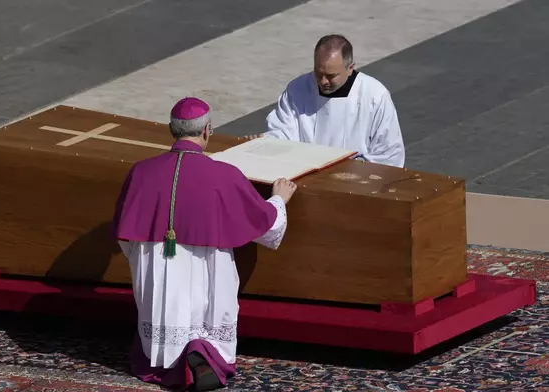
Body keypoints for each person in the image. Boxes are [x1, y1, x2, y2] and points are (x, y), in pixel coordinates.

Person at [112, 97, 297, 391]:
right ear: (207, 130)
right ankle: (204, 356)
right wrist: (278, 199)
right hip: (206, 268)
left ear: (171, 129)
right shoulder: (224, 175)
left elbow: (124, 235)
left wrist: (147, 256)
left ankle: (164, 359)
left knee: (164, 307)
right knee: (206, 304)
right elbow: (265, 223)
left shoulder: (141, 171)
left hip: (159, 270)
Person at [257, 34, 405, 167]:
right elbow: (282, 133)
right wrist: (265, 142)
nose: (323, 81)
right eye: (318, 73)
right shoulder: (297, 89)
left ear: (350, 68)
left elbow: (388, 152)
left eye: (330, 75)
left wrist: (350, 169)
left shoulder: (374, 96)